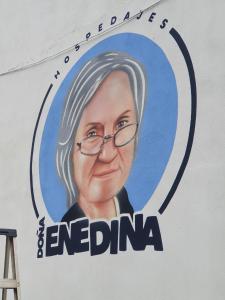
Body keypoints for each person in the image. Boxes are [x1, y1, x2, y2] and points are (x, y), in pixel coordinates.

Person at [56, 52, 147, 223]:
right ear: (68, 150)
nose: (108, 154)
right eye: (92, 133)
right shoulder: (65, 228)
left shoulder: (132, 216)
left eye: (121, 124)